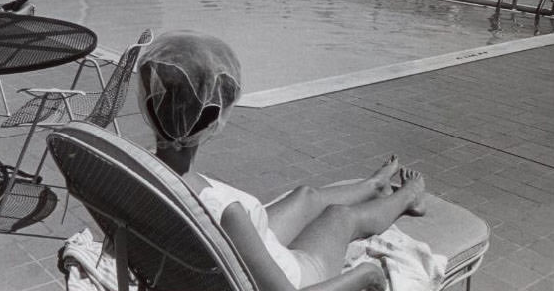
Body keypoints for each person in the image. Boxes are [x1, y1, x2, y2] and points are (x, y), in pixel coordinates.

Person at [136, 31, 427, 291]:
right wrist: (368, 274)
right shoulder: (227, 212)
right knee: (340, 216)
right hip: (291, 272)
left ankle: (374, 185)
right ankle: (409, 196)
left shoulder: (137, 168)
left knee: (306, 196)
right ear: (212, 121)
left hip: (244, 245)